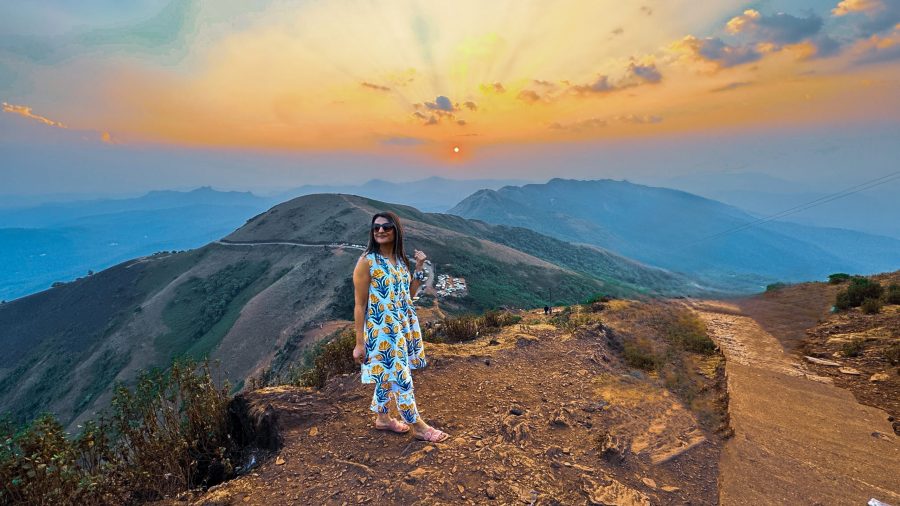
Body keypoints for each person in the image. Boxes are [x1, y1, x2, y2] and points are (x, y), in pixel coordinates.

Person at [352, 211, 449, 443]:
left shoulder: (400, 260)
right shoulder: (367, 262)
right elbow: (359, 304)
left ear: (396, 230)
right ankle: (418, 425)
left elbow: (410, 294)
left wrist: (419, 266)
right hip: (382, 331)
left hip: (402, 327)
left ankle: (383, 418)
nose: (381, 231)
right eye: (376, 227)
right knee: (401, 376)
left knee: (386, 375)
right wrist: (359, 342)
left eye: (386, 227)